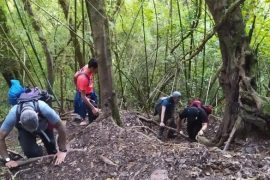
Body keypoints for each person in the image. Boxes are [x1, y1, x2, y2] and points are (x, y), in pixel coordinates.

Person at [0, 100, 67, 168]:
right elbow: (1, 137)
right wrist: (7, 160)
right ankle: (37, 153)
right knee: (32, 153)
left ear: (37, 114)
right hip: (25, 131)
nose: (33, 131)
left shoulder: (44, 108)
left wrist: (62, 150)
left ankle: (50, 152)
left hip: (43, 126)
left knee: (51, 148)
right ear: (20, 122)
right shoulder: (13, 115)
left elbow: (60, 125)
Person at [74, 58, 100, 126]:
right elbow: (83, 97)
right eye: (97, 69)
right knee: (90, 109)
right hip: (84, 94)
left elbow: (75, 75)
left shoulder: (87, 66)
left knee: (95, 104)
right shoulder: (83, 78)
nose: (98, 70)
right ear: (92, 68)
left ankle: (93, 118)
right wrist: (93, 108)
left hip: (89, 90)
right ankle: (86, 121)